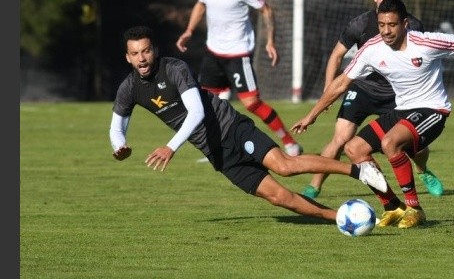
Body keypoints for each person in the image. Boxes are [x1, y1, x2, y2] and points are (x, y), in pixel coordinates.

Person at [291, 0, 454, 228]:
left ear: (405, 24)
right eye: (382, 25)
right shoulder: (372, 49)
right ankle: (393, 207)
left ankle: (414, 209)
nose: (386, 31)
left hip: (433, 110)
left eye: (392, 25)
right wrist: (312, 114)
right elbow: (341, 82)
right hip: (402, 110)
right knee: (354, 149)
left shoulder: (427, 42)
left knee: (390, 143)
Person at [109, 25, 388, 222]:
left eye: (145, 51)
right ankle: (340, 217)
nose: (142, 58)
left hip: (231, 127)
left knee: (285, 166)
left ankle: (357, 170)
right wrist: (119, 146)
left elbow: (196, 112)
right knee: (278, 197)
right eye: (135, 54)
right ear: (127, 57)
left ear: (154, 51)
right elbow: (117, 125)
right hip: (216, 153)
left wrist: (171, 147)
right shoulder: (129, 88)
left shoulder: (174, 69)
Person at [298, 0, 444, 200]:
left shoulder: (412, 24)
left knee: (412, 146)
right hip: (363, 90)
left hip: (398, 94)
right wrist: (328, 92)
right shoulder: (359, 24)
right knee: (340, 139)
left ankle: (423, 170)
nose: (386, 1)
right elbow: (336, 55)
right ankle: (314, 187)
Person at [175, 0, 302, 160]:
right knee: (206, 103)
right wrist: (189, 30)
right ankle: (216, 147)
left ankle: (289, 142)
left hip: (238, 54)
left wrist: (270, 41)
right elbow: (201, 4)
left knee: (252, 103)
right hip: (213, 52)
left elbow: (266, 10)